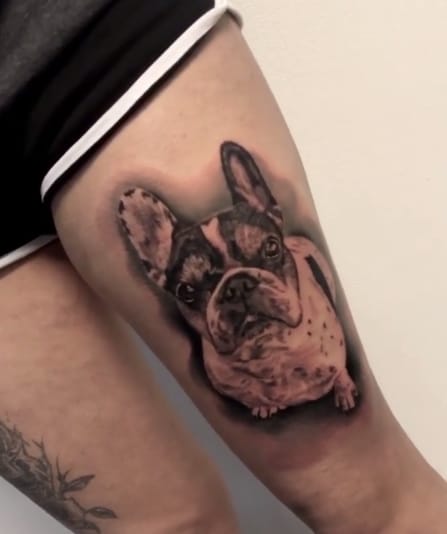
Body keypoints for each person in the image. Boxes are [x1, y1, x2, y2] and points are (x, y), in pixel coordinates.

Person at [1, 2, 446, 533]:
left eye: (267, 253)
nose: (236, 291)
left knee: (377, 506)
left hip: (63, 28)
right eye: (195, 290)